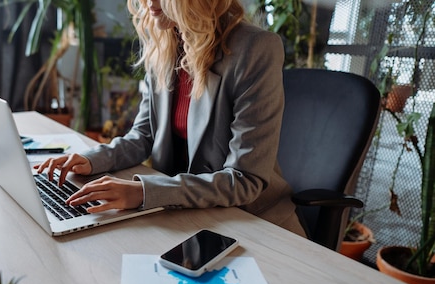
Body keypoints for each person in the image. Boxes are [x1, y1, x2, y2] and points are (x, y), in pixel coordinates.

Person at [35, 0, 307, 237]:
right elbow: (144, 135)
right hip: (188, 215)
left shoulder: (255, 48)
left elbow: (244, 178)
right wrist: (91, 160)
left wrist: (143, 192)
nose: (148, 3)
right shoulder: (165, 39)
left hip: (252, 222)